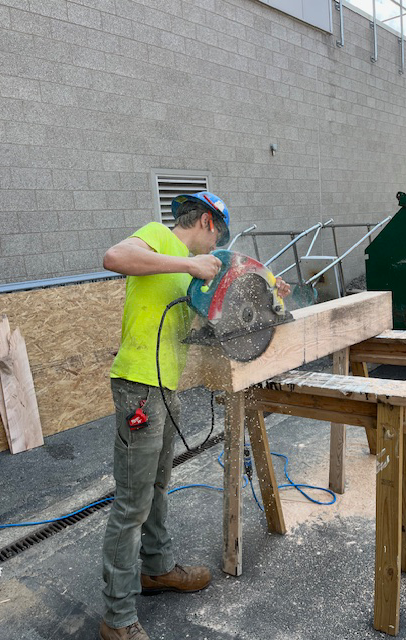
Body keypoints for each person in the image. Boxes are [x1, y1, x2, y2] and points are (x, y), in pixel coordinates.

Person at [100, 192, 290, 640]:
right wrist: (190, 264)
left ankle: (157, 568)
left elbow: (225, 314)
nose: (214, 249)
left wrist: (271, 294)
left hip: (165, 388)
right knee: (131, 504)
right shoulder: (158, 237)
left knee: (157, 486)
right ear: (206, 221)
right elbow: (113, 257)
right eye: (216, 238)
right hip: (139, 388)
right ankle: (117, 619)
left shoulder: (190, 272)